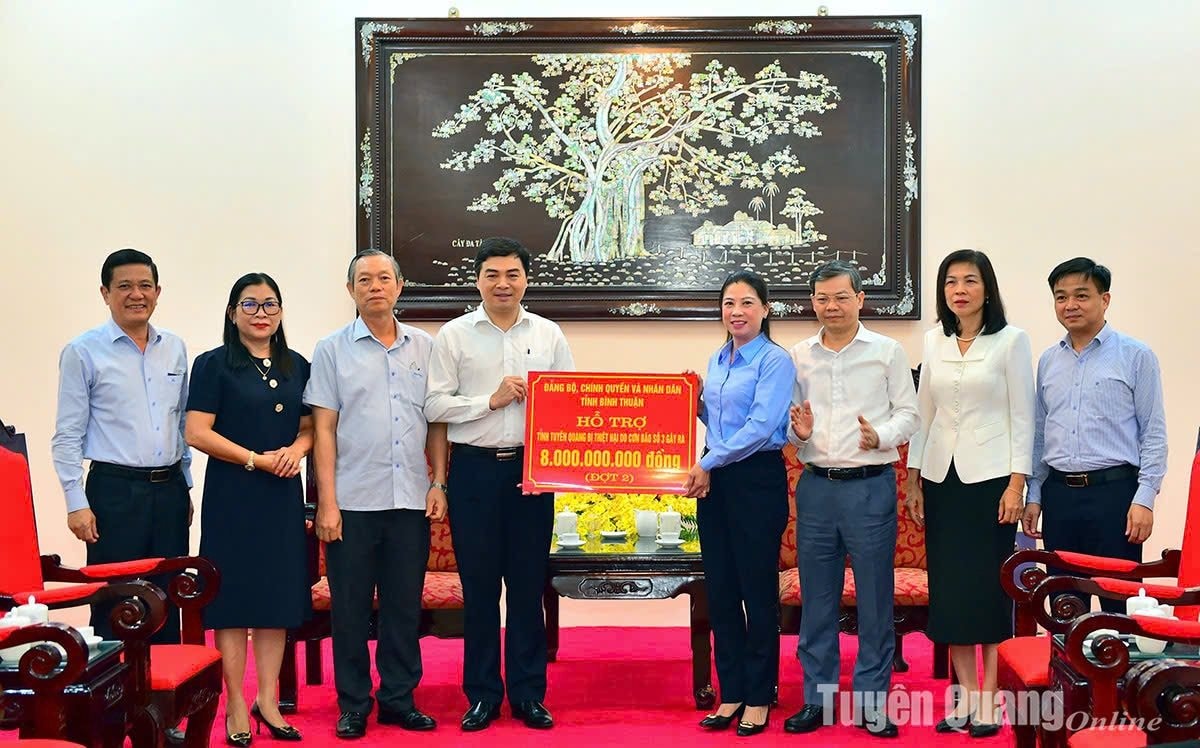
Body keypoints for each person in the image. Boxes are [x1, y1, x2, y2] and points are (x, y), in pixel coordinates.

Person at [424, 237, 574, 732]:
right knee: (481, 590)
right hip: (474, 472)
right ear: (478, 280)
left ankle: (529, 695)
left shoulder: (549, 334)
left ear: (527, 279)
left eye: (513, 274)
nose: (503, 283)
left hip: (531, 474)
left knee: (528, 590)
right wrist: (489, 401)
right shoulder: (454, 336)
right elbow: (434, 405)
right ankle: (483, 695)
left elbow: (570, 404)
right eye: (492, 274)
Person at [303, 250, 448, 740]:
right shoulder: (332, 349)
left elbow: (436, 422)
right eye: (364, 280)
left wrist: (438, 481)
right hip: (352, 503)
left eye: (384, 278)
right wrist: (327, 502)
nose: (375, 287)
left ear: (400, 286)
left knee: (404, 607)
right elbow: (324, 429)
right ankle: (353, 704)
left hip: (409, 500)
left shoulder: (424, 347)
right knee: (350, 609)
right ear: (351, 290)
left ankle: (399, 700)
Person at [783, 260, 920, 738]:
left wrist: (880, 435)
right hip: (817, 487)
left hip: (870, 487)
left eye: (841, 297)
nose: (832, 306)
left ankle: (871, 704)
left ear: (860, 299)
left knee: (875, 599)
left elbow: (909, 414)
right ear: (813, 302)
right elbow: (790, 422)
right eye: (822, 298)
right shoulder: (798, 356)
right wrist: (799, 435)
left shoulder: (887, 352)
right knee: (817, 600)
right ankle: (817, 700)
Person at [904, 250, 1033, 737]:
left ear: (987, 288)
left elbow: (1023, 416)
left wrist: (1017, 483)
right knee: (952, 592)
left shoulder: (1011, 341)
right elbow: (924, 415)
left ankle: (988, 699)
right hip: (942, 481)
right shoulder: (933, 339)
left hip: (991, 482)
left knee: (986, 590)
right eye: (951, 282)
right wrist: (914, 478)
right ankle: (963, 696)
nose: (959, 290)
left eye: (970, 281)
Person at [185, 273, 312, 745]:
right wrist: (254, 459)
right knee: (233, 601)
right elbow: (197, 432)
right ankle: (236, 702)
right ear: (232, 312)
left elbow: (310, 427)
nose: (262, 313)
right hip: (233, 495)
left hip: (281, 495)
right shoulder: (213, 364)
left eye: (270, 304)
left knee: (276, 600)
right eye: (251, 304)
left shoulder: (298, 365)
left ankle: (269, 701)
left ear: (281, 312)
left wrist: (296, 450)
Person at [51, 248, 192, 645]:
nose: (136, 294)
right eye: (125, 286)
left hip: (169, 490)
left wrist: (185, 485)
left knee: (167, 597)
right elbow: (67, 433)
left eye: (145, 285)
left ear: (158, 292)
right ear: (105, 293)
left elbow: (181, 422)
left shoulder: (175, 347)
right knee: (116, 600)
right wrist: (75, 502)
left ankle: (164, 682)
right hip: (114, 491)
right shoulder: (83, 351)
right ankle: (114, 685)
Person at [1022, 258, 1167, 611]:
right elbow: (1040, 434)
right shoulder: (1048, 361)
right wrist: (1034, 494)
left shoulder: (1136, 356)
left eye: (1081, 295)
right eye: (1061, 297)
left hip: (1115, 496)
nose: (1070, 305)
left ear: (1105, 299)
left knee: (1119, 607)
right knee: (1065, 606)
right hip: (1059, 497)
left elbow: (1153, 433)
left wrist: (1145, 498)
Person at [686, 270, 795, 737]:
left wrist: (708, 460)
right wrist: (693, 404)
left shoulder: (775, 360)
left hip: (756, 480)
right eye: (729, 303)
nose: (736, 312)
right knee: (722, 591)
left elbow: (759, 426)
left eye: (747, 303)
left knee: (757, 592)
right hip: (717, 482)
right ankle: (730, 692)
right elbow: (721, 421)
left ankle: (759, 695)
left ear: (765, 309)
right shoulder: (718, 357)